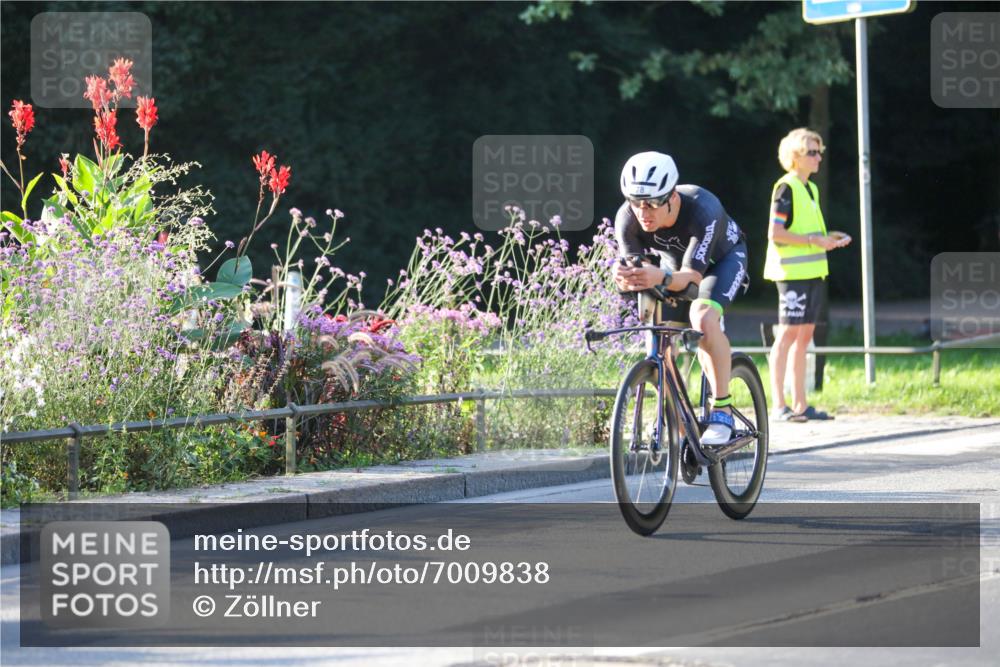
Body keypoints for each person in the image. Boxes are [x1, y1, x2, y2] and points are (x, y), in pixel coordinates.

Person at [614, 151, 749, 445]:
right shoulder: (627, 218)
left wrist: (659, 277)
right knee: (658, 345)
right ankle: (684, 427)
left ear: (672, 197)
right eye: (635, 202)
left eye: (651, 203)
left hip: (720, 263)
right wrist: (626, 277)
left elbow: (692, 280)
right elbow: (638, 269)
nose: (643, 212)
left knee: (703, 319)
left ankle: (722, 410)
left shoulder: (702, 210)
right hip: (674, 268)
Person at [763, 128, 851, 422]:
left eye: (819, 152)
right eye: (812, 152)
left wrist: (828, 237)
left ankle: (801, 405)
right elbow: (776, 233)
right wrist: (815, 240)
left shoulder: (810, 188)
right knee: (787, 336)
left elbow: (805, 231)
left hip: (813, 273)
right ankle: (779, 406)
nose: (818, 158)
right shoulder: (785, 188)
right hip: (791, 274)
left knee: (804, 337)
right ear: (796, 156)